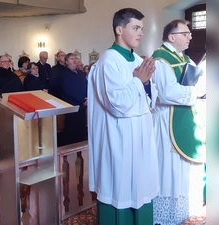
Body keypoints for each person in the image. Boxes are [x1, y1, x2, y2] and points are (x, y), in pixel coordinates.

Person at [87, 8, 159, 225]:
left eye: (142, 29)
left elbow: (149, 100)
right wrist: (139, 81)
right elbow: (117, 105)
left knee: (141, 187)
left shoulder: (137, 59)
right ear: (119, 29)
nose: (140, 33)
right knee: (120, 190)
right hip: (120, 141)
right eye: (135, 28)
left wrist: (146, 83)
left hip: (140, 140)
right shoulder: (109, 61)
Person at [151, 19, 205, 225]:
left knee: (181, 169)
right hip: (167, 121)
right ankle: (165, 216)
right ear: (171, 37)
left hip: (183, 118)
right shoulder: (161, 59)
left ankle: (182, 212)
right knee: (168, 167)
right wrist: (196, 92)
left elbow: (199, 81)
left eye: (190, 33)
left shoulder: (184, 58)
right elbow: (167, 93)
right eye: (186, 33)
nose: (190, 36)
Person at [59, 53, 87, 146]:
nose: (74, 60)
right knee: (72, 130)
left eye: (75, 58)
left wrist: (88, 98)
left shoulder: (81, 73)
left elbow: (86, 87)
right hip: (72, 105)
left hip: (83, 106)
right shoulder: (64, 74)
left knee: (81, 128)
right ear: (67, 62)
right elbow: (69, 90)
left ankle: (81, 149)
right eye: (71, 59)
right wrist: (83, 101)